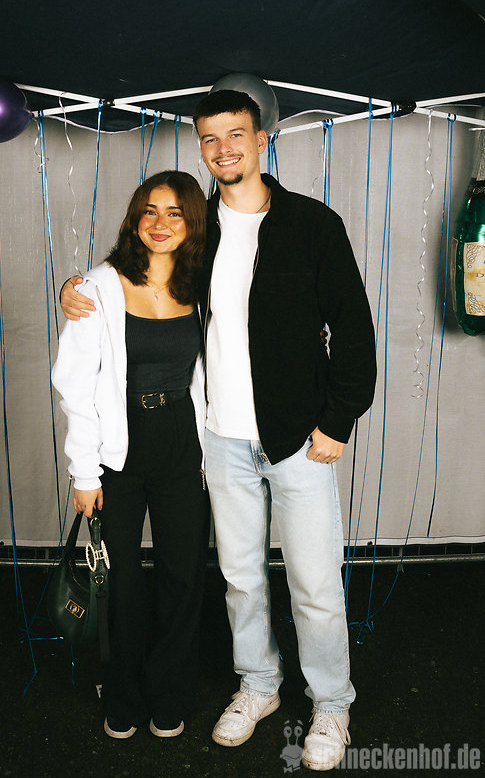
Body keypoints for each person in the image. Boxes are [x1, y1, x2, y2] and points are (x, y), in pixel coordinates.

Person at [61, 90, 377, 772]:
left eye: (236, 134)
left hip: (299, 439)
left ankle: (331, 704)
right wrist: (77, 288)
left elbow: (353, 329)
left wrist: (337, 421)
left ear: (261, 140)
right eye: (210, 138)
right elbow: (137, 276)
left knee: (315, 584)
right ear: (201, 147)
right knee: (239, 579)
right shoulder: (197, 231)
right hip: (220, 442)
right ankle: (258, 684)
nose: (223, 148)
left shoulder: (312, 224)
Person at [52, 170, 210, 741]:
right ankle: (122, 691)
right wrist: (83, 471)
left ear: (192, 222)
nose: (160, 223)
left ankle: (168, 692)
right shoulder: (97, 287)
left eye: (174, 212)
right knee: (119, 577)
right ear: (134, 218)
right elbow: (74, 384)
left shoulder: (203, 283)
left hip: (181, 439)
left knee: (182, 572)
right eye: (150, 210)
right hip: (117, 447)